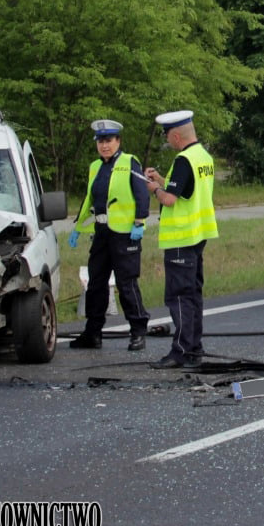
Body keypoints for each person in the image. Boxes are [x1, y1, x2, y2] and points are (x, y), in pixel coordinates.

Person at [143, 110, 218, 369]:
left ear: (176, 136)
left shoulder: (184, 159)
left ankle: (181, 351)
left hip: (181, 238)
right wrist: (162, 180)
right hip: (198, 235)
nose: (168, 141)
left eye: (168, 137)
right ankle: (194, 347)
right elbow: (184, 190)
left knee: (179, 296)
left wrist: (153, 189)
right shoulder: (202, 156)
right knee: (193, 294)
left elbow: (170, 199)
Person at [67, 119, 151, 351]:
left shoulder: (129, 162)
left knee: (126, 284)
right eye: (101, 141)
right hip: (101, 232)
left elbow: (142, 194)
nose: (105, 146)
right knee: (96, 284)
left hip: (125, 234)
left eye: (109, 141)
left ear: (118, 141)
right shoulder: (95, 166)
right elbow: (89, 199)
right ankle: (93, 333)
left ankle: (138, 331)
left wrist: (139, 222)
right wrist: (78, 226)